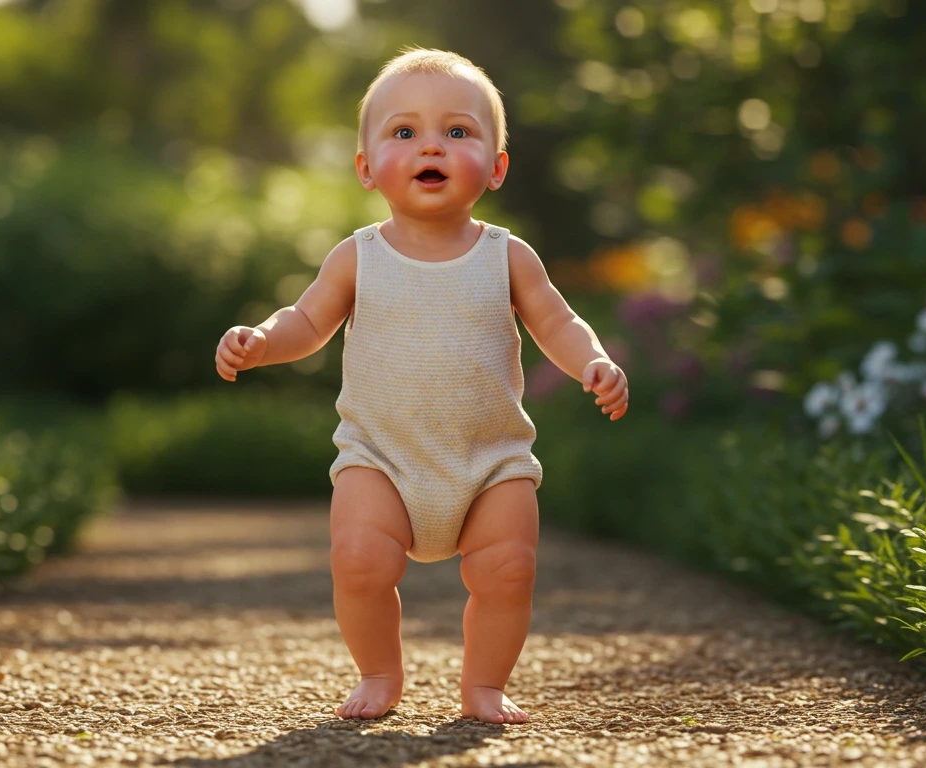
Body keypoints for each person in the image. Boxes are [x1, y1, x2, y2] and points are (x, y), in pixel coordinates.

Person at [213, 47, 628, 724]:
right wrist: (261, 341)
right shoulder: (359, 256)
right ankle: (379, 671)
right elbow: (307, 319)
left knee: (509, 571)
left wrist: (594, 362)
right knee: (357, 560)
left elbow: (558, 319)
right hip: (381, 457)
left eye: (457, 131)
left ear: (495, 167)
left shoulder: (507, 256)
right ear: (367, 167)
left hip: (490, 462)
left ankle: (484, 686)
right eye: (404, 132)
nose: (430, 144)